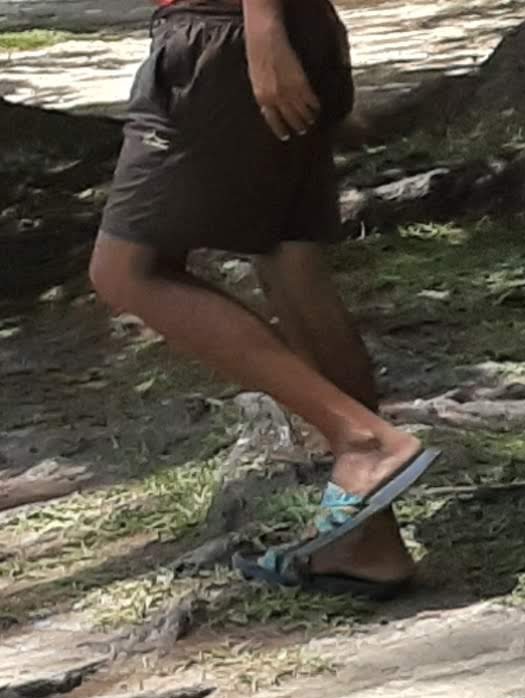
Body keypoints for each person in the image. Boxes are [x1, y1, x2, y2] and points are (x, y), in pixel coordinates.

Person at [87, 0, 429, 598]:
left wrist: (263, 28)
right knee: (291, 269)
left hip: (227, 36)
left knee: (126, 271)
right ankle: (368, 541)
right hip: (276, 31)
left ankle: (363, 440)